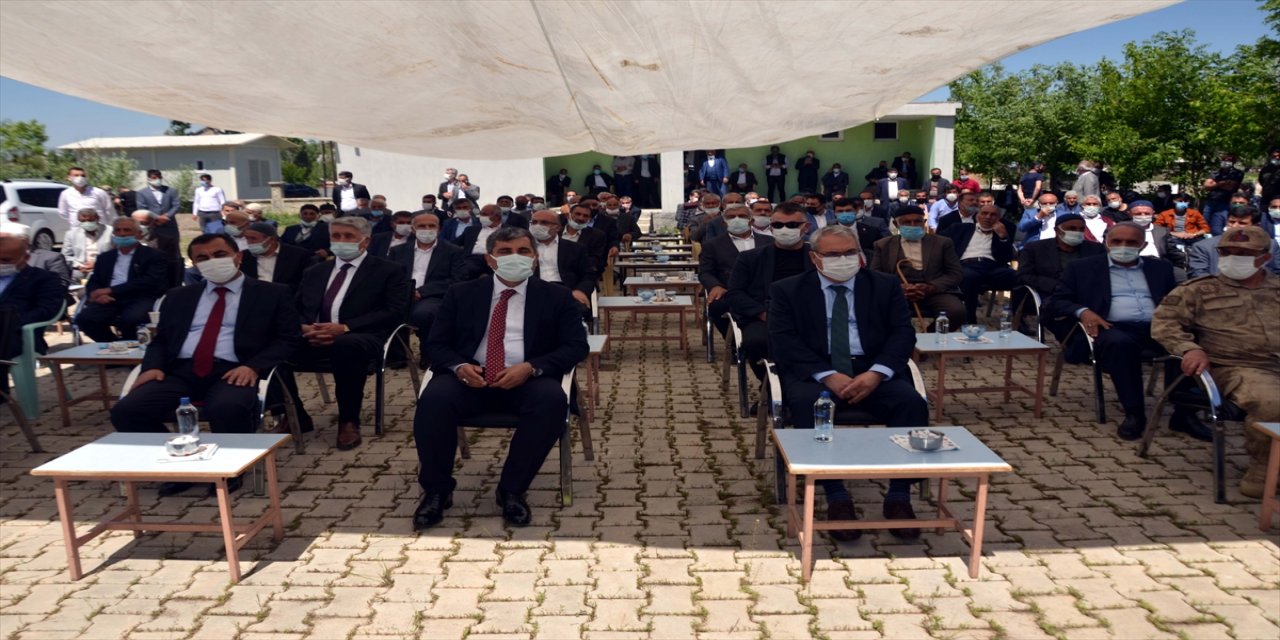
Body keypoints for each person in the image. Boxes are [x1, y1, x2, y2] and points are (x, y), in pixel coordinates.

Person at [413, 227, 588, 529]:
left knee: (551, 400)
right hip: (470, 378)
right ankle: (437, 491)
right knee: (433, 399)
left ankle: (512, 490)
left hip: (527, 379)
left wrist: (531, 367)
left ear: (535, 258)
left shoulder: (557, 296)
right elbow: (436, 344)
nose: (514, 257)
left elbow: (576, 346)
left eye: (523, 251)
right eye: (505, 252)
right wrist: (458, 366)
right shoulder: (461, 293)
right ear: (490, 259)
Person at [769, 225, 929, 539]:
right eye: (833, 254)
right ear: (815, 258)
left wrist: (877, 373)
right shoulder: (788, 290)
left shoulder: (884, 285)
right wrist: (827, 375)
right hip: (817, 368)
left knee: (911, 402)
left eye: (849, 253)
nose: (843, 260)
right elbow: (784, 341)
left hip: (871, 367)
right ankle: (836, 495)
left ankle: (899, 496)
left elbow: (902, 333)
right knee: (806, 403)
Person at [111, 233, 301, 495]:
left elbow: (288, 339)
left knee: (227, 407)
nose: (212, 261)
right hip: (180, 371)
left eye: (219, 255)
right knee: (127, 411)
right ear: (195, 265)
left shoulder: (272, 293)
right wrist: (152, 367)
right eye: (202, 258)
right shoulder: (179, 296)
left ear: (238, 256)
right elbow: (161, 340)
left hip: (235, 369)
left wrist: (254, 366)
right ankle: (179, 464)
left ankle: (228, 469)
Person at [1152, 226, 1279, 497]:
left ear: (1265, 258)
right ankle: (1264, 468)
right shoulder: (1197, 290)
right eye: (1226, 252)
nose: (1233, 258)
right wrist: (1189, 349)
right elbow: (1165, 324)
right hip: (1234, 366)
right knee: (1271, 403)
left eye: (1243, 254)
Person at [273, 217, 410, 450]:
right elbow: (294, 308)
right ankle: (295, 414)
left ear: (365, 241)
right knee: (271, 344)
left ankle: (348, 420)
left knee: (346, 346)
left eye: (348, 236)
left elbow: (394, 311)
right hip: (313, 334)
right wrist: (304, 327)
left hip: (362, 335)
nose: (341, 241)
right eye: (336, 236)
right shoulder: (315, 271)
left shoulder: (388, 270)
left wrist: (345, 327)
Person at [1045, 223, 1186, 440]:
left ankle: (1185, 414)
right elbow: (1057, 301)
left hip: (1158, 327)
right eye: (1117, 241)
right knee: (1120, 345)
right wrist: (1083, 312)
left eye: (1131, 242)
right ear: (1106, 243)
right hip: (1111, 327)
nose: (1123, 246)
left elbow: (1175, 300)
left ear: (1143, 245)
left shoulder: (1160, 268)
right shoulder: (1082, 268)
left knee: (1192, 344)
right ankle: (1134, 413)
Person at [727, 203, 815, 379]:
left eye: (792, 225)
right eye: (778, 225)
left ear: (806, 227)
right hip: (764, 315)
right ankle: (769, 384)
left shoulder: (817, 256)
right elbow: (735, 293)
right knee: (758, 342)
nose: (784, 230)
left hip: (811, 315)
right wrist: (761, 313)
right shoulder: (750, 258)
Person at [388, 212, 467, 368]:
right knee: (390, 311)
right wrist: (407, 291)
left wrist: (423, 291)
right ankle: (398, 356)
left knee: (424, 314)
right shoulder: (398, 251)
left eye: (431, 226)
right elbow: (391, 276)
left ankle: (429, 353)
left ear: (439, 229)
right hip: (403, 294)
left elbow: (458, 279)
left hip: (433, 296)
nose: (427, 229)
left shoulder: (453, 251)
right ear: (413, 229)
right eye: (422, 226)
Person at [0, 226, 67, 401]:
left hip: (18, 333)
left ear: (26, 257)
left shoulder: (44, 279)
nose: (1, 264)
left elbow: (47, 310)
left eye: (5, 260)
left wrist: (12, 320)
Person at [77, 217, 170, 343]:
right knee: (85, 319)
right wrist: (95, 295)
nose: (122, 234)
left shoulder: (153, 255)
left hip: (140, 297)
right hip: (109, 299)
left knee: (130, 320)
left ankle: (130, 350)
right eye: (118, 230)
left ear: (139, 234)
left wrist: (110, 290)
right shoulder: (105, 257)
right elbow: (94, 280)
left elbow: (149, 281)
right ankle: (112, 346)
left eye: (127, 230)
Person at [869, 206, 965, 327]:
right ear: (896, 224)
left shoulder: (943, 243)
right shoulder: (883, 245)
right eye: (907, 222)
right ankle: (898, 336)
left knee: (956, 311)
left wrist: (931, 287)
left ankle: (929, 336)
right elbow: (875, 274)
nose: (913, 225)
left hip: (934, 291)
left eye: (917, 221)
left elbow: (955, 273)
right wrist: (898, 287)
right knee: (876, 310)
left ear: (924, 222)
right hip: (896, 292)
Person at [1015, 214, 1104, 338]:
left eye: (1081, 229)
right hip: (1050, 295)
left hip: (1086, 295)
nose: (1077, 232)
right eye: (1072, 229)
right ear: (1057, 230)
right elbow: (1024, 275)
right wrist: (1053, 285)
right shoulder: (1036, 248)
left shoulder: (1096, 250)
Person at [700, 204, 769, 338]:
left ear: (751, 220)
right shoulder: (712, 245)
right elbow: (705, 272)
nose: (737, 219)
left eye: (742, 216)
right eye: (731, 217)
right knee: (717, 306)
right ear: (724, 223)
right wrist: (715, 285)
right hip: (729, 292)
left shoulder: (769, 242)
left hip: (764, 292)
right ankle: (732, 342)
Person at [941, 204, 1017, 324]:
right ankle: (969, 320)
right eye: (984, 213)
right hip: (967, 265)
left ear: (998, 218)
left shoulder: (1003, 231)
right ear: (977, 216)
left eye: (993, 215)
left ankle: (1020, 319)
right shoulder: (960, 228)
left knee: (1020, 277)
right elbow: (937, 240)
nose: (988, 217)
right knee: (969, 277)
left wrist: (1003, 237)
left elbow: (1006, 258)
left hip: (993, 267)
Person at [529, 209, 595, 311]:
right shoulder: (523, 249)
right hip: (534, 290)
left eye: (544, 223)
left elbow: (588, 275)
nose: (537, 226)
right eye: (534, 222)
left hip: (566, 291)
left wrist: (580, 291)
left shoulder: (575, 248)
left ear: (557, 227)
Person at [1187, 206, 1280, 278]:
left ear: (1256, 226)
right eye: (1231, 222)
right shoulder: (1204, 247)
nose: (1235, 226)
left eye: (1242, 223)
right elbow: (1198, 274)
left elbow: (1276, 273)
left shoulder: (1270, 245)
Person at [134, 169, 183, 285]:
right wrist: (156, 218)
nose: (157, 179)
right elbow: (142, 207)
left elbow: (176, 206)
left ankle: (175, 277)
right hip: (153, 226)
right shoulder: (142, 193)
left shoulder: (171, 191)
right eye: (154, 177)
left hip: (170, 225)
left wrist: (166, 216)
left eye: (159, 177)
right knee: (155, 249)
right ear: (148, 179)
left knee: (173, 251)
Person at [240, 222, 317, 290]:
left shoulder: (298, 255)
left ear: (271, 239)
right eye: (247, 238)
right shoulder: (244, 256)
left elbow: (306, 282)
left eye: (253, 238)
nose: (249, 242)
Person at [1127, 200, 1187, 280]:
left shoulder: (1162, 231)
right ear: (1129, 214)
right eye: (1138, 214)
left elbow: (1173, 251)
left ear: (1153, 214)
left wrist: (1180, 264)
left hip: (1158, 263)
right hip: (1133, 265)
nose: (1143, 216)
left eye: (1147, 213)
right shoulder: (1120, 230)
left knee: (1180, 275)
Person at [62, 208, 113, 279]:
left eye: (90, 220)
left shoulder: (110, 232)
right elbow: (65, 256)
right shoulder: (71, 234)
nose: (87, 223)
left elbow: (116, 253)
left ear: (97, 219)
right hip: (80, 268)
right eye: (83, 221)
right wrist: (80, 265)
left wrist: (97, 264)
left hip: (104, 266)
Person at [1203, 153, 1244, 235]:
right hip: (1211, 201)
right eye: (1224, 159)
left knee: (1220, 224)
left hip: (1225, 202)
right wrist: (1223, 183)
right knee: (1205, 222)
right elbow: (1206, 185)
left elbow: (1230, 187)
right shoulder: (1215, 172)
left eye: (1229, 160)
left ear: (1233, 162)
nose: (1226, 161)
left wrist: (1214, 184)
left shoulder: (1237, 173)